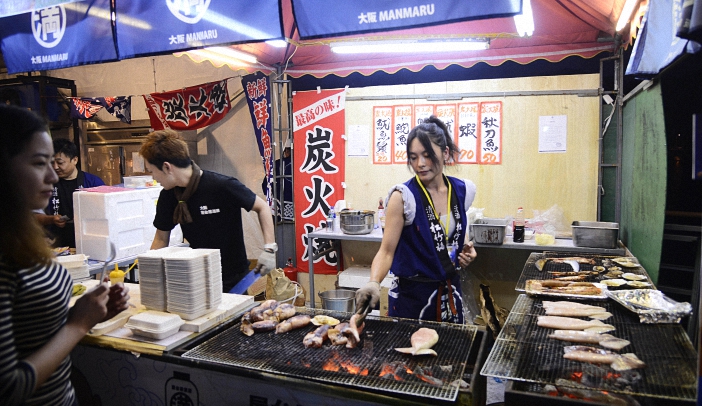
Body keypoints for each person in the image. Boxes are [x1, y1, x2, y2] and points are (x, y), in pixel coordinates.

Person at [0, 104, 130, 405]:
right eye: (39, 163)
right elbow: (8, 389)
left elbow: (34, 335)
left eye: (53, 163)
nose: (53, 176)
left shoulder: (21, 236)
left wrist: (87, 314)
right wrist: (78, 325)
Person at [354, 116, 477, 324]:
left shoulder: (462, 191)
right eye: (413, 157)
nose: (420, 164)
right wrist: (374, 282)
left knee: (450, 345)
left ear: (445, 153)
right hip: (412, 299)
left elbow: (453, 230)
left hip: (449, 294)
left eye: (427, 156)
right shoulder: (403, 197)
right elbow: (386, 251)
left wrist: (466, 250)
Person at [140, 129, 277, 293]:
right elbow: (161, 238)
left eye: (152, 171)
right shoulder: (168, 196)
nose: (153, 178)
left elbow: (262, 207)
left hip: (233, 280)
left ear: (167, 167)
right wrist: (150, 273)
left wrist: (269, 249)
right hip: (198, 278)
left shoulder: (221, 185)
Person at [35, 138, 105, 248]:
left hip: (89, 242)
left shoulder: (93, 182)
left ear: (75, 160)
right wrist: (51, 219)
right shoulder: (45, 184)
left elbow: (106, 214)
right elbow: (32, 216)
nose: (55, 167)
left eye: (60, 163)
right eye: (52, 163)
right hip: (54, 243)